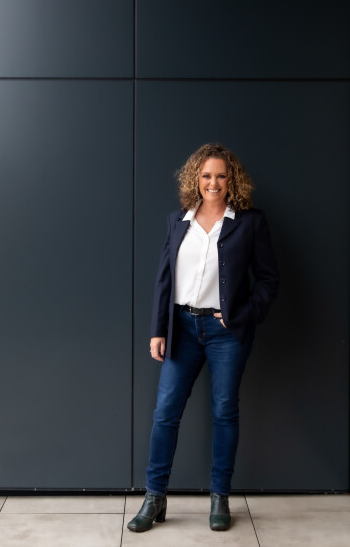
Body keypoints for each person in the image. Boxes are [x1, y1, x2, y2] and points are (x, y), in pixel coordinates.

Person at [127, 142, 279, 533]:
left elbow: (268, 280)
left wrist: (242, 315)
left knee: (224, 411)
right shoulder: (178, 221)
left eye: (221, 176)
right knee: (165, 413)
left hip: (226, 334)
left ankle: (220, 496)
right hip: (182, 329)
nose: (214, 182)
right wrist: (158, 330)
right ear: (195, 178)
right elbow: (165, 279)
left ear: (232, 180)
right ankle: (155, 496)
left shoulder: (249, 222)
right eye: (207, 175)